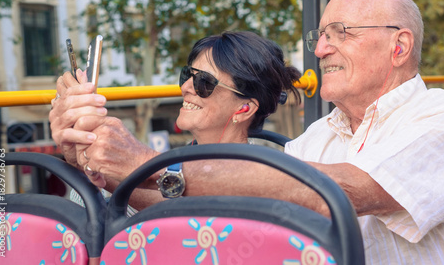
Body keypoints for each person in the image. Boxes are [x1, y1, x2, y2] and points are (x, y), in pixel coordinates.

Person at [52, 0, 444, 264]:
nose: (319, 50)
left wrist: (146, 163)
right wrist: (101, 165)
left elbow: (336, 192)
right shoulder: (316, 138)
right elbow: (225, 211)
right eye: (320, 36)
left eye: (340, 33)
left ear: (399, 46)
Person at [50, 31, 301, 209]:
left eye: (204, 82)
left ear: (245, 108)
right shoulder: (167, 162)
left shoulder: (267, 177)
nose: (186, 88)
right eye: (187, 75)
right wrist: (81, 155)